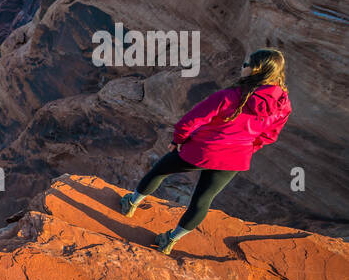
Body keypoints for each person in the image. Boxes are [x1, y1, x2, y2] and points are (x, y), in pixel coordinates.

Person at [118, 48, 292, 253]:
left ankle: (131, 203)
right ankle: (171, 241)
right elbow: (269, 136)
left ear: (257, 70)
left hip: (202, 150)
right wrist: (245, 148)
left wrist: (178, 141)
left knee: (160, 171)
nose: (242, 67)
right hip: (235, 159)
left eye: (246, 65)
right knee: (203, 200)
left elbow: (190, 120)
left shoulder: (230, 96)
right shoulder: (283, 105)